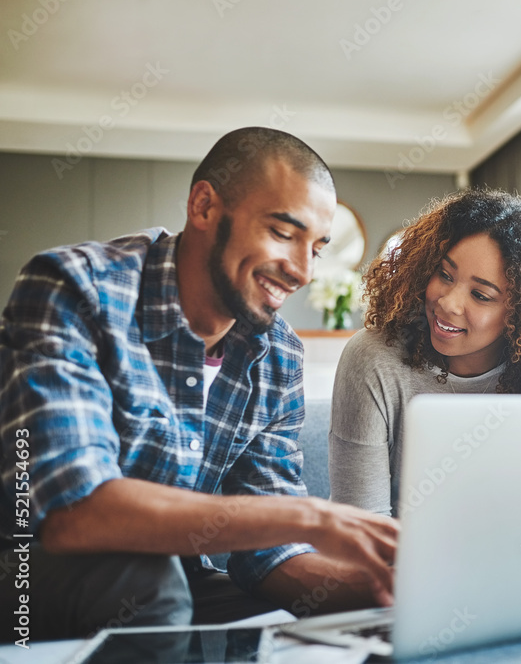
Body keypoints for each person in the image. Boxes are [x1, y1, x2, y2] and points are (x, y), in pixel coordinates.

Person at [0, 127, 398, 642]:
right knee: (151, 584)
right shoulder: (74, 288)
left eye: (316, 248)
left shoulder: (278, 355)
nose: (302, 272)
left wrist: (381, 588)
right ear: (205, 206)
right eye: (282, 233)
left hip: (175, 581)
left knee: (284, 634)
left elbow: (267, 554)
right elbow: (74, 511)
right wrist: (310, 516)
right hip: (30, 571)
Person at [329, 188, 521, 517]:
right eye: (445, 274)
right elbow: (360, 526)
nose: (448, 303)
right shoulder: (374, 359)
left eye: (480, 295)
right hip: (395, 560)